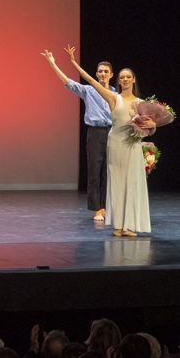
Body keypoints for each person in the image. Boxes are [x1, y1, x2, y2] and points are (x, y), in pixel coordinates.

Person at [66, 46, 156, 237]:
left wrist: (152, 126)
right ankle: (117, 225)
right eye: (122, 77)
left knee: (132, 183)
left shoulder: (140, 102)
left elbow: (149, 128)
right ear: (119, 80)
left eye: (128, 77)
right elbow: (90, 80)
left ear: (133, 80)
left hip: (131, 145)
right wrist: (73, 62)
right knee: (115, 182)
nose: (125, 80)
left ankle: (129, 225)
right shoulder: (113, 97)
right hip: (114, 142)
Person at [42, 50, 114, 221]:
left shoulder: (115, 93)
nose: (102, 74)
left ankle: (106, 206)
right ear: (96, 74)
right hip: (95, 133)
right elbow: (68, 82)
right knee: (95, 171)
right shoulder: (89, 90)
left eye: (106, 71)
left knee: (108, 172)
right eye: (100, 71)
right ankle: (97, 208)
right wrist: (53, 63)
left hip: (112, 133)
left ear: (111, 74)